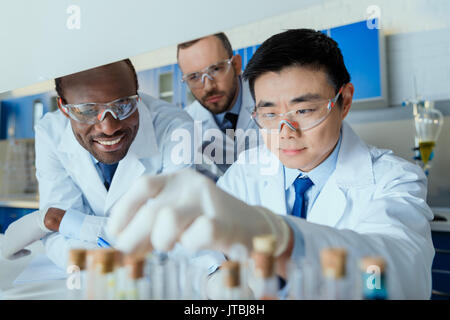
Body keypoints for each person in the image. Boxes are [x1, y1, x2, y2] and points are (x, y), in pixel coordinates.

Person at [106, 29, 434, 299]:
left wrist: (283, 239)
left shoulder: (395, 179)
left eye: (304, 110)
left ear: (344, 100)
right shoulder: (247, 170)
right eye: (269, 114)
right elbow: (202, 256)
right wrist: (215, 281)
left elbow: (397, 275)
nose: (285, 132)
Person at [1, 59, 224, 270]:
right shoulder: (51, 133)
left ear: (137, 96)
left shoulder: (175, 128)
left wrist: (62, 220)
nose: (108, 127)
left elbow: (170, 232)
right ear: (63, 107)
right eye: (87, 110)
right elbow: (60, 240)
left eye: (123, 105)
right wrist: (102, 260)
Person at [177, 32, 259, 177]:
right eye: (194, 77)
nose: (208, 86)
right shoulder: (187, 122)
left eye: (215, 69)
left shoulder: (267, 99)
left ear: (236, 65)